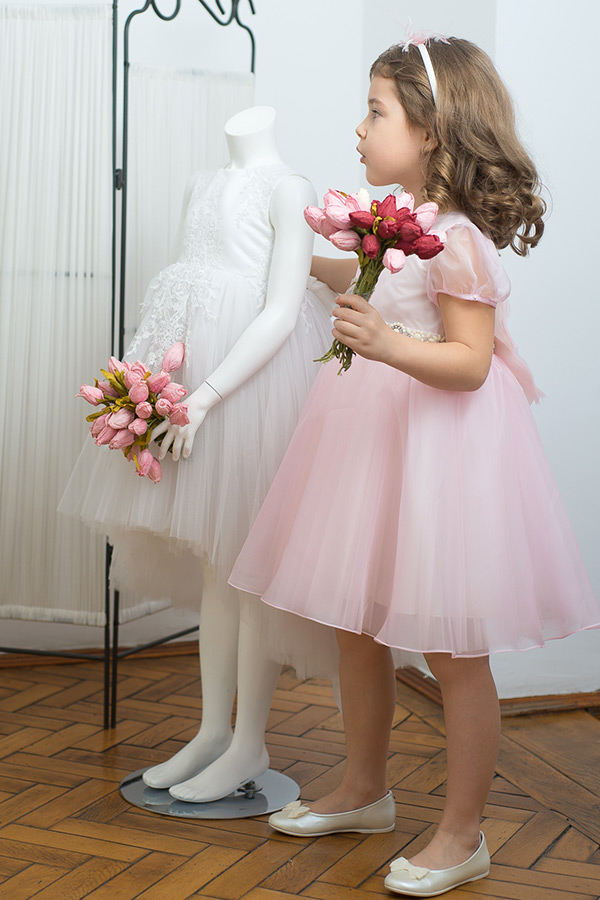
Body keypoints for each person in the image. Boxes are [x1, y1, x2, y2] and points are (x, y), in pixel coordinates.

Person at [229, 37, 600, 896]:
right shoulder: (397, 224)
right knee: (356, 626)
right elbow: (369, 277)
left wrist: (388, 344)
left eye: (376, 112)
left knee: (451, 649)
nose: (358, 129)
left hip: (442, 453)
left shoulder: (459, 241)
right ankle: (365, 789)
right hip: (370, 439)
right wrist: (293, 253)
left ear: (431, 132)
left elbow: (469, 362)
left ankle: (464, 834)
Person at [60, 106, 337, 804]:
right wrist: (156, 391)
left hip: (252, 389)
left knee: (248, 568)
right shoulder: (200, 183)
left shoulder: (290, 188)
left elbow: (281, 310)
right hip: (191, 388)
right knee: (219, 569)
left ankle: (250, 742)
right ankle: (214, 731)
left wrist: (208, 396)